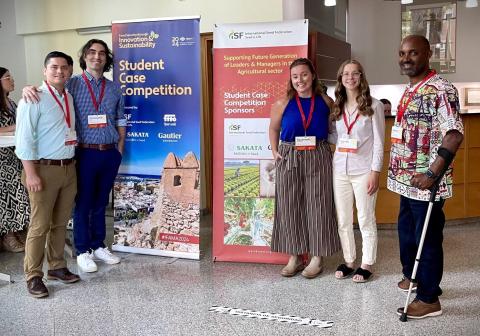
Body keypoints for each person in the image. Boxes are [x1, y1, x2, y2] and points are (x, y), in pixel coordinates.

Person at [23, 39, 126, 273]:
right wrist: (28, 88)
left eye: (101, 53)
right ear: (84, 57)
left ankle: (98, 245)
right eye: (92, 52)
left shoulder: (114, 88)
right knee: (83, 203)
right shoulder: (72, 84)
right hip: (84, 152)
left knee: (101, 202)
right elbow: (50, 88)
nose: (97, 57)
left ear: (106, 58)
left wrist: (119, 148)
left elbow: (120, 119)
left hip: (109, 152)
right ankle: (82, 250)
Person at [388, 35, 463, 319]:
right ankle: (414, 277)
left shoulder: (441, 89)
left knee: (426, 239)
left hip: (426, 183)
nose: (406, 58)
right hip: (405, 181)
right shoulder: (411, 88)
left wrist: (433, 173)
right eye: (402, 53)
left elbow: (454, 134)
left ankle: (429, 299)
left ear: (428, 54)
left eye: (413, 53)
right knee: (408, 234)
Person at [15, 51, 80, 298]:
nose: (59, 71)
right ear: (45, 71)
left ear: (70, 71)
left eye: (64, 67)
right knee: (39, 225)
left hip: (68, 168)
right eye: (54, 67)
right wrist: (30, 174)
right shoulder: (32, 99)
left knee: (61, 223)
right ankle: (33, 275)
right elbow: (24, 140)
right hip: (42, 170)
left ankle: (57, 267)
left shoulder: (69, 97)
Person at [269, 58, 341, 279]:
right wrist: (274, 151)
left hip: (318, 154)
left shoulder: (326, 102)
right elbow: (273, 129)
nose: (300, 80)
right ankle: (295, 256)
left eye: (304, 74)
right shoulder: (283, 103)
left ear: (312, 75)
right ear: (291, 80)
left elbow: (335, 129)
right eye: (295, 76)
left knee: (319, 205)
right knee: (290, 206)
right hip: (289, 155)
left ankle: (317, 258)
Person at [329, 60, 385, 283]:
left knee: (365, 218)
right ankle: (350, 260)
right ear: (340, 78)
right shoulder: (338, 105)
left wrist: (375, 171)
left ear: (361, 76)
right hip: (340, 169)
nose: (350, 77)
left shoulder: (374, 105)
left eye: (354, 73)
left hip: (364, 170)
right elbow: (335, 136)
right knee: (343, 219)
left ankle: (367, 263)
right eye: (345, 74)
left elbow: (379, 142)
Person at [0, 67, 30, 253]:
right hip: (3, 159)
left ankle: (17, 231)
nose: (12, 80)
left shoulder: (11, 103)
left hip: (17, 154)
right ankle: (8, 236)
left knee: (22, 193)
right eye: (7, 77)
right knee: (12, 194)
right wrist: (14, 127)